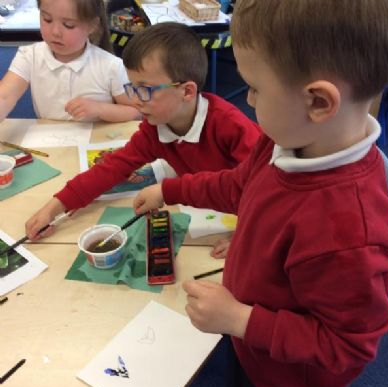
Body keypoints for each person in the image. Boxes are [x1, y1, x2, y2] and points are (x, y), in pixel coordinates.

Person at [131, 1, 388, 387]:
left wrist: (240, 319)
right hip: (251, 332)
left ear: (318, 102)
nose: (250, 101)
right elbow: (239, 186)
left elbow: (345, 346)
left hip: (285, 381)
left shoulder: (351, 233)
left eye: (254, 88)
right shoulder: (285, 140)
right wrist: (171, 190)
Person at [25, 22, 262, 257]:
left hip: (245, 216)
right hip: (201, 206)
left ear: (187, 91)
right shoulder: (155, 127)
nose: (136, 100)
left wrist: (245, 236)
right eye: (132, 87)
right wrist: (54, 207)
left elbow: (263, 189)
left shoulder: (231, 126)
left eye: (145, 90)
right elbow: (112, 167)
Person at [0, 0, 141, 122]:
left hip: (96, 141)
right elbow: (4, 97)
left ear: (92, 25)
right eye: (47, 19)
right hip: (49, 140)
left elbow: (137, 111)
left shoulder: (111, 66)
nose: (55, 32)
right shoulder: (29, 56)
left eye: (68, 25)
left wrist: (100, 109)